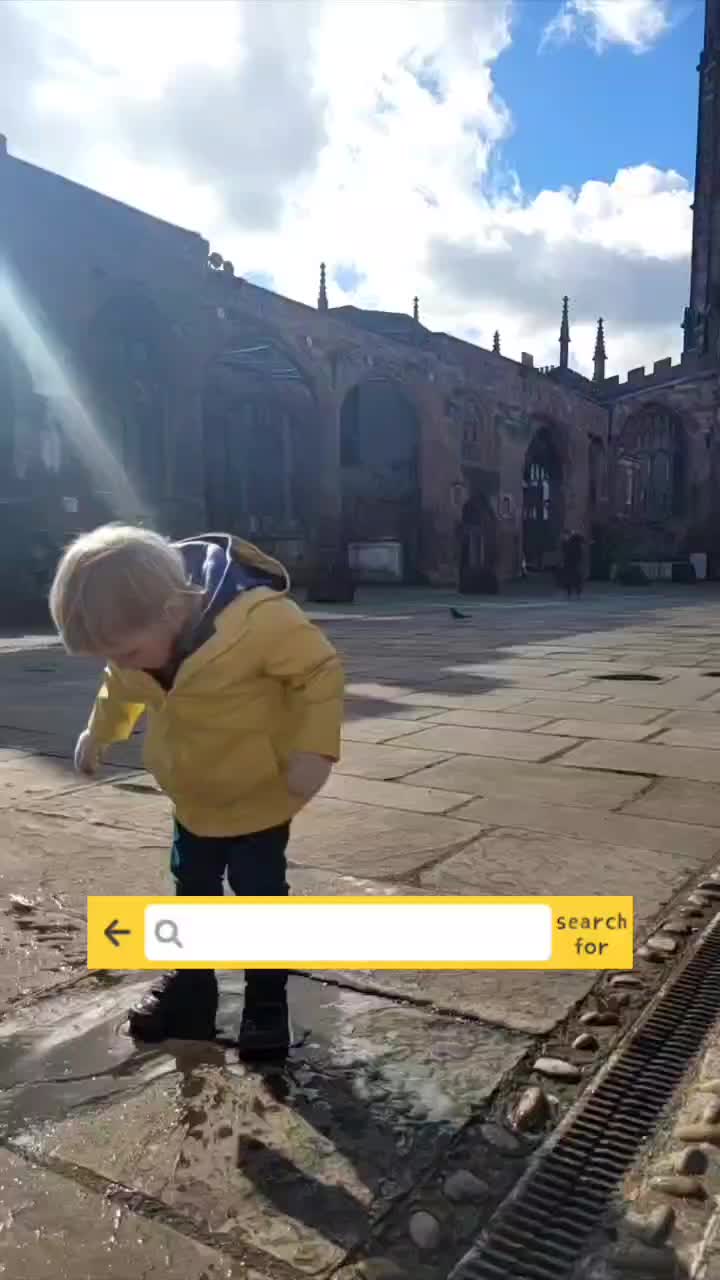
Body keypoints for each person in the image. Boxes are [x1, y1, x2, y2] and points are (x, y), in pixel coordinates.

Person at [49, 524, 344, 1059]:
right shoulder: (139, 644)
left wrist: (315, 750)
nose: (123, 662)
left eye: (128, 650)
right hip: (193, 795)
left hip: (259, 793)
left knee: (259, 896)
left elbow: (319, 672)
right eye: (112, 654)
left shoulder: (258, 620)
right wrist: (100, 732)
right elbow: (119, 686)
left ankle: (265, 1003)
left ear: (169, 611)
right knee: (192, 893)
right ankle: (191, 992)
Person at [561, 529, 585, 599]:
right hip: (568, 562)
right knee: (567, 578)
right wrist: (562, 561)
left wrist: (575, 533)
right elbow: (564, 552)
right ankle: (569, 593)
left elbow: (582, 539)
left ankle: (578, 593)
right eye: (564, 536)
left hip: (576, 561)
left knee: (577, 577)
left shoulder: (575, 539)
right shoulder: (564, 542)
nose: (565, 537)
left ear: (569, 535)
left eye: (566, 535)